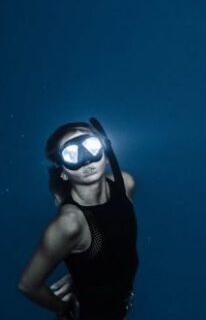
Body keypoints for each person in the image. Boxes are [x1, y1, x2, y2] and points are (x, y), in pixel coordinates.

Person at [18, 119, 139, 320]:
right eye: (72, 154)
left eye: (91, 147)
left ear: (106, 155)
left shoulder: (126, 184)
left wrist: (84, 273)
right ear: (63, 171)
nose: (86, 160)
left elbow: (118, 238)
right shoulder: (70, 224)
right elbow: (27, 285)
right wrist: (65, 309)